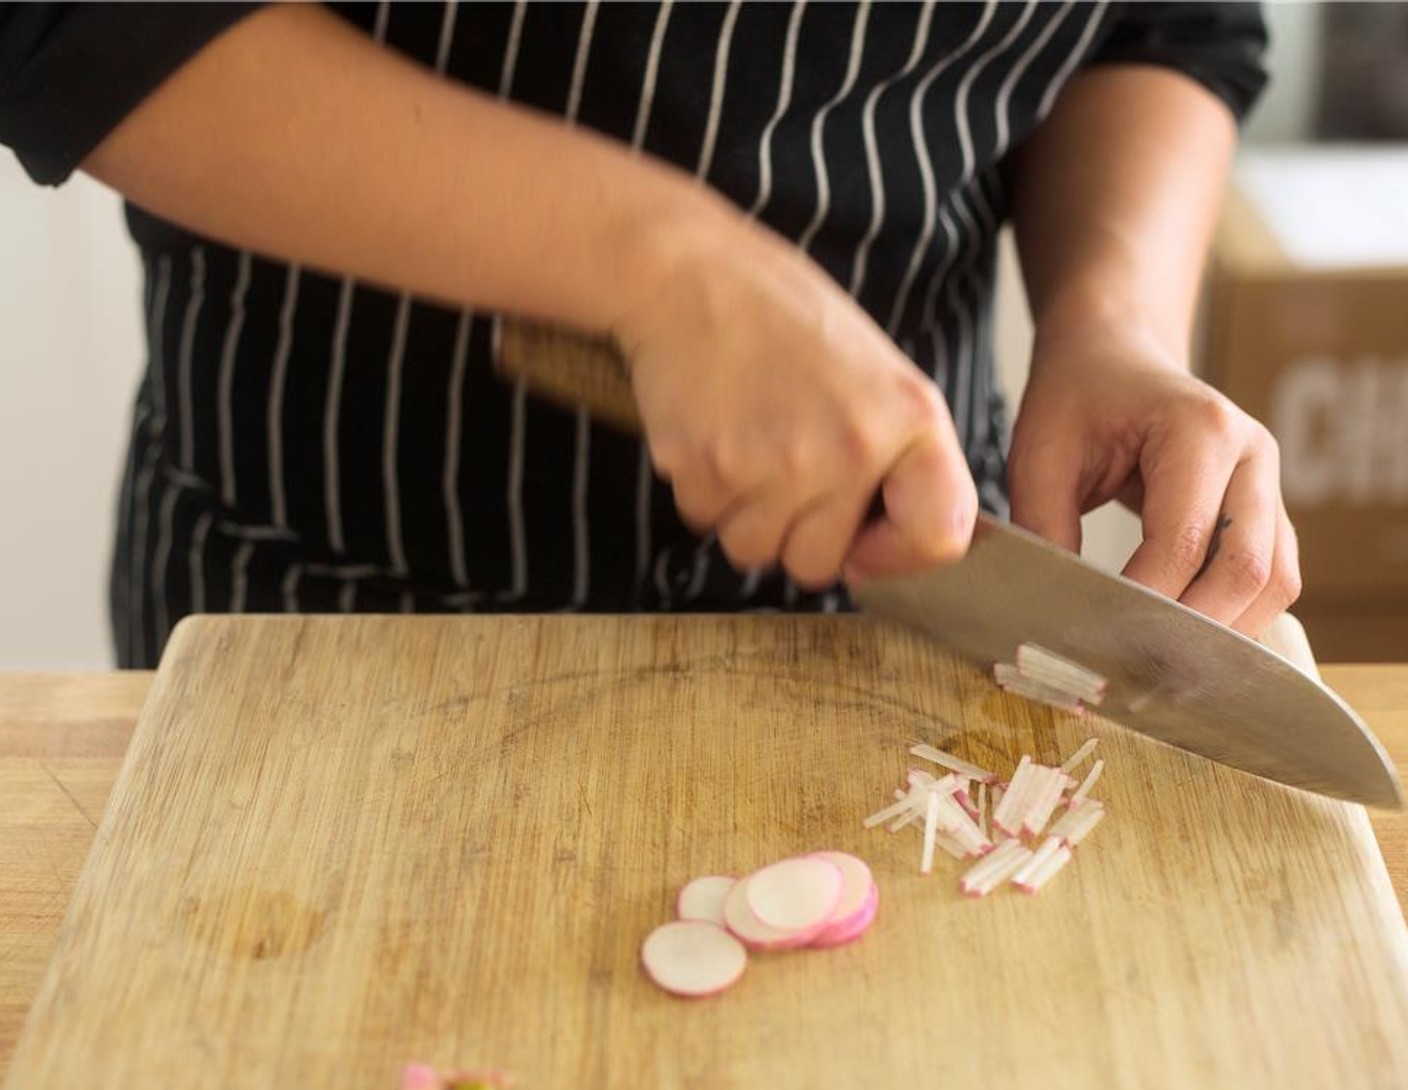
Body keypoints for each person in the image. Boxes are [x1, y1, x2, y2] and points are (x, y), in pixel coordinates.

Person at [0, 1, 1299, 670]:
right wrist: (658, 267)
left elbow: (1162, 23)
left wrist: (1114, 320)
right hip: (327, 598)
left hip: (910, 602)